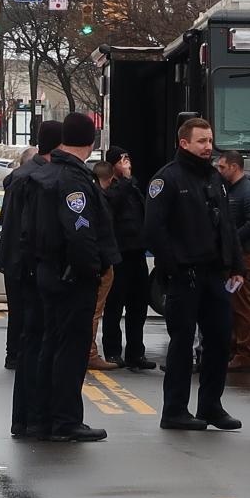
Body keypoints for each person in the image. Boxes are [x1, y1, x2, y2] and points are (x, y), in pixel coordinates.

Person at [143, 118, 245, 431]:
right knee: (182, 343)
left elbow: (227, 225)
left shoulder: (214, 178)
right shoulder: (168, 179)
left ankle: (210, 406)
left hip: (214, 274)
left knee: (218, 341)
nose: (208, 147)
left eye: (210, 140)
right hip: (184, 275)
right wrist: (172, 265)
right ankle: (174, 410)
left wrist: (237, 265)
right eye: (201, 141)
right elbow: (153, 229)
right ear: (184, 143)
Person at [24, 113, 113, 442]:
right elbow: (80, 233)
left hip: (50, 271)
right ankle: (66, 420)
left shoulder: (48, 174)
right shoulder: (74, 180)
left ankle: (45, 417)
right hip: (72, 276)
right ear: (92, 143)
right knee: (71, 351)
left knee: (53, 346)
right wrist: (93, 267)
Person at [0, 122, 62, 437]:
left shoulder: (19, 178)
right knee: (36, 342)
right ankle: (35, 418)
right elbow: (27, 231)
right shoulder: (35, 180)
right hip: (29, 270)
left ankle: (25, 418)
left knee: (28, 342)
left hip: (17, 267)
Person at [101, 146, 155, 372]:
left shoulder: (132, 186)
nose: (127, 163)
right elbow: (112, 203)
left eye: (128, 158)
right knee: (114, 306)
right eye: (122, 160)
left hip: (137, 252)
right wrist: (124, 180)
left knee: (138, 306)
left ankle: (136, 352)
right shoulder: (110, 187)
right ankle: (112, 351)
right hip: (119, 254)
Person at [216, 151, 250, 373]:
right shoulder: (229, 190)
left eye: (222, 167)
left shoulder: (248, 191)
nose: (219, 171)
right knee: (231, 304)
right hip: (232, 254)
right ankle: (234, 349)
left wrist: (231, 240)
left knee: (242, 304)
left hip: (243, 254)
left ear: (234, 167)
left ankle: (245, 353)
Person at [87, 162, 121, 370]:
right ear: (110, 179)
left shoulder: (88, 195)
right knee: (95, 311)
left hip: (92, 261)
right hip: (101, 263)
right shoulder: (101, 199)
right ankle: (90, 353)